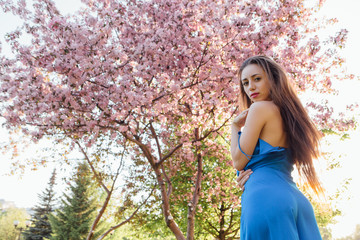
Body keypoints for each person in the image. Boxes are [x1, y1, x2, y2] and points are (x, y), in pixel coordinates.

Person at [230, 56, 323, 240]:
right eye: (245, 83)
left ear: (272, 78)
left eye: (257, 79)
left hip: (265, 198)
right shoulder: (291, 116)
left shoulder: (259, 109)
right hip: (296, 200)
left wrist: (235, 127)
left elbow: (238, 161)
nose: (251, 88)